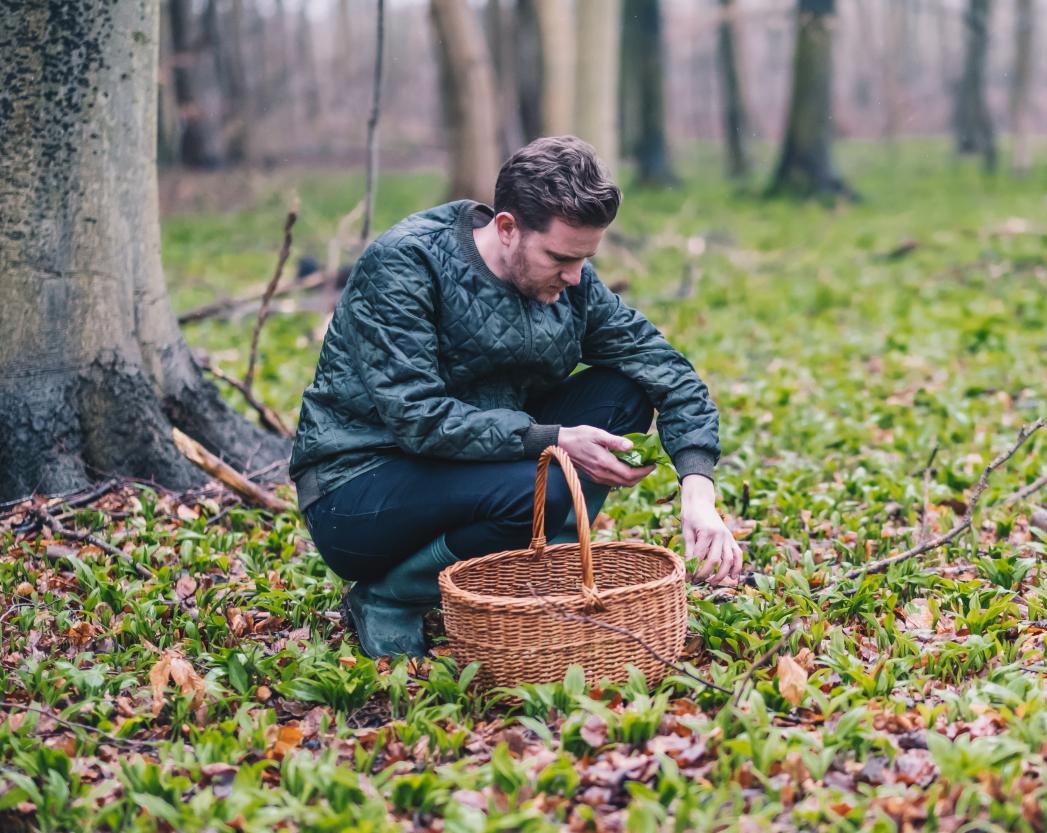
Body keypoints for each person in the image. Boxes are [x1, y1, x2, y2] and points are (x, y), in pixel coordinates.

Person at [290, 135, 743, 658]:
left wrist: (697, 491)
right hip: (360, 490)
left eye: (585, 258)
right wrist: (554, 439)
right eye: (559, 257)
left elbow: (668, 371)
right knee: (542, 488)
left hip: (482, 461)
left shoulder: (573, 283)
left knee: (627, 390)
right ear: (507, 228)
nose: (575, 276)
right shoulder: (405, 265)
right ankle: (389, 597)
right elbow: (417, 417)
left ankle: (543, 562)